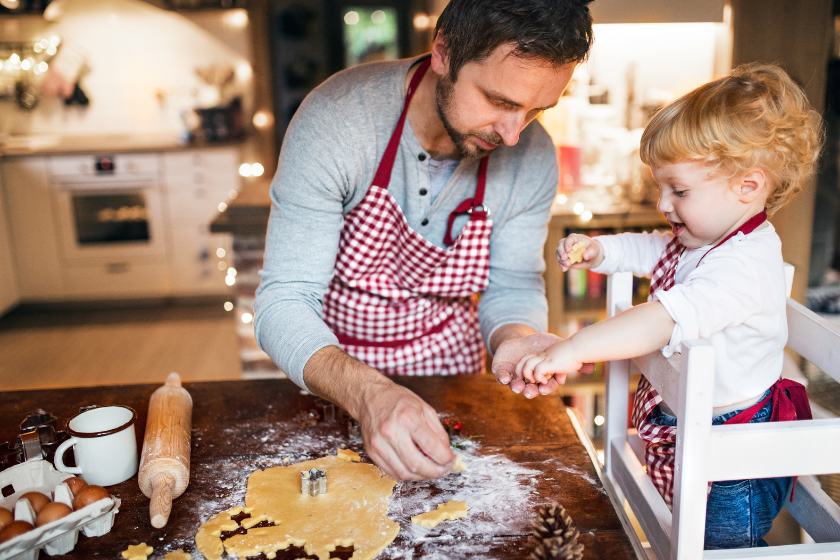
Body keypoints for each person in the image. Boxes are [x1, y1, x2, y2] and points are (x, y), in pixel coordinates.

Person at [254, 0, 595, 481]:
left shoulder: (532, 156)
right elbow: (284, 301)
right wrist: (370, 394)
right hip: (336, 381)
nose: (515, 134)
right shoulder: (339, 121)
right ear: (443, 53)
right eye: (500, 102)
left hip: (452, 379)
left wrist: (516, 341)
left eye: (539, 109)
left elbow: (513, 287)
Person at [516, 64, 822, 549]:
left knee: (720, 549)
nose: (663, 202)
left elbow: (661, 320)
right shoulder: (707, 235)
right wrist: (602, 251)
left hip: (731, 461)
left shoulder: (744, 266)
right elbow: (654, 249)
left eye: (678, 191)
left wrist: (574, 349)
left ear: (748, 186)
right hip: (695, 428)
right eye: (661, 187)